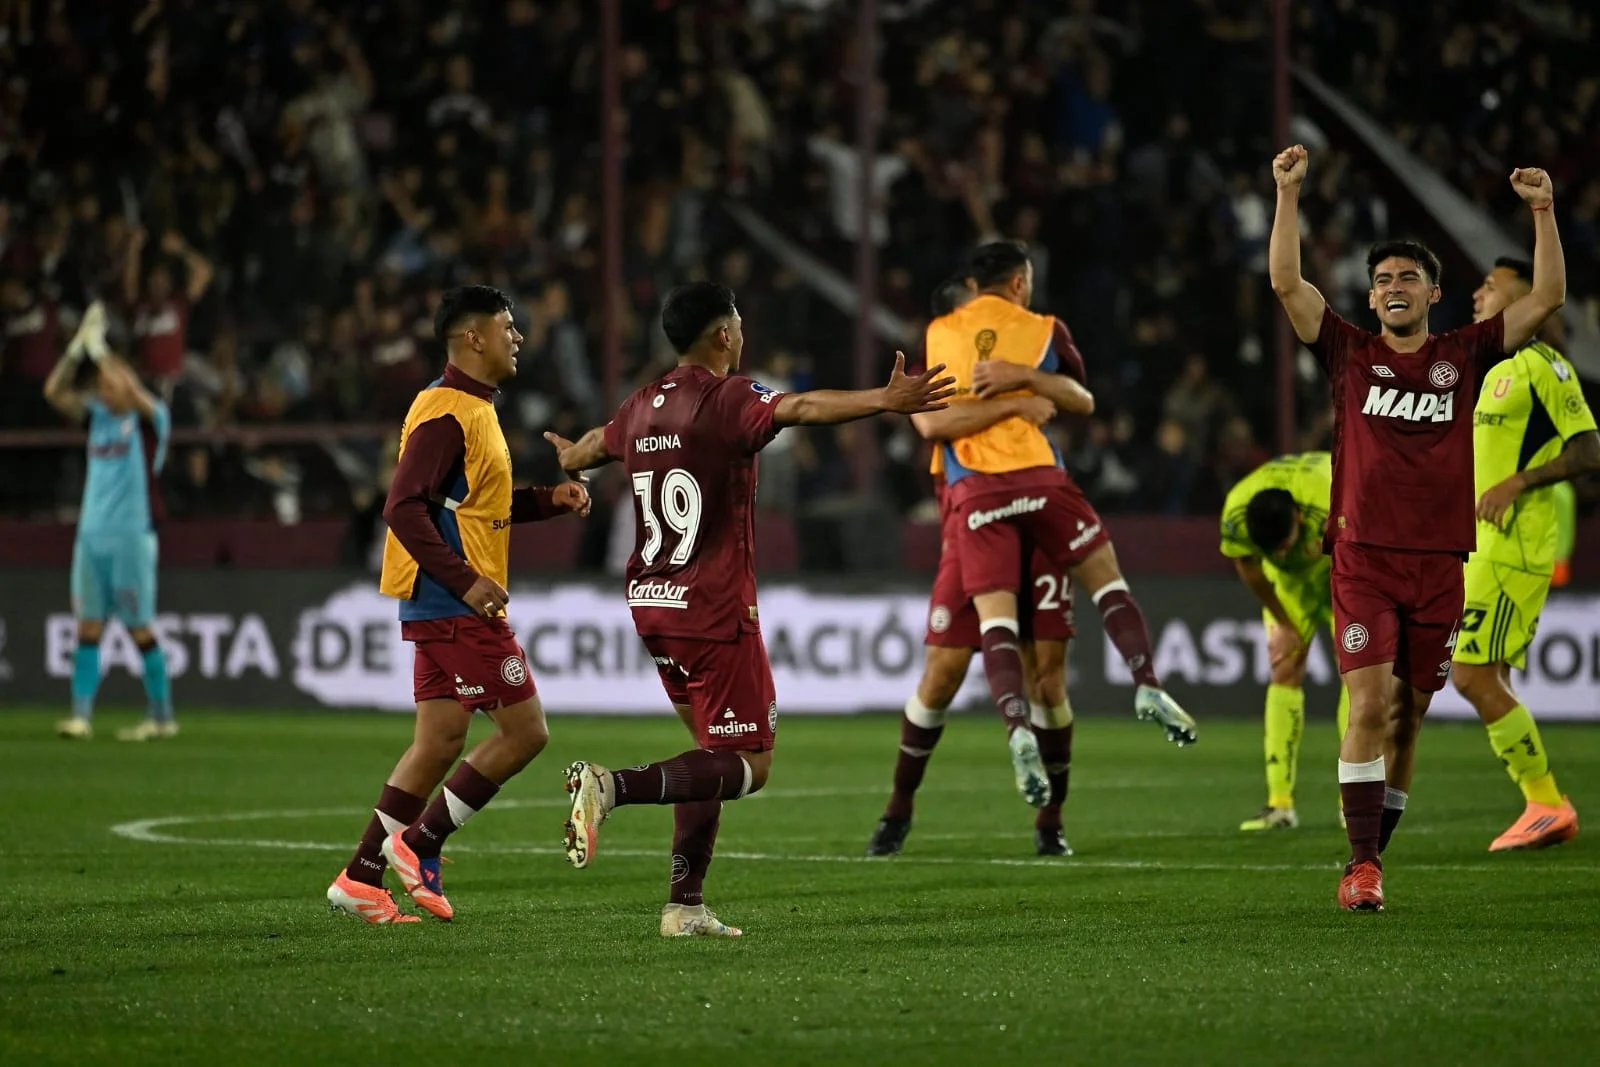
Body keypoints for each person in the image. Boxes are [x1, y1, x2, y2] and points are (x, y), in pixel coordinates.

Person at [544, 281, 954, 938]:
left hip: (652, 602)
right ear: (723, 334)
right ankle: (609, 785)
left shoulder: (642, 403)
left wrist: (570, 457)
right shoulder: (728, 397)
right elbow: (803, 407)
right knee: (749, 763)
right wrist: (884, 399)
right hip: (712, 606)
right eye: (738, 323)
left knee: (710, 750)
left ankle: (684, 904)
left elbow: (597, 442)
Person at [1269, 144, 1566, 911]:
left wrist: (1542, 211)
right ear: (1370, 300)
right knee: (1367, 705)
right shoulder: (1349, 352)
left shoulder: (1462, 356)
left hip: (1441, 563)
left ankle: (1368, 854)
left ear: (1433, 291)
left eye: (1407, 277)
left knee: (1406, 719)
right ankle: (1363, 866)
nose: (1393, 287)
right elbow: (1285, 282)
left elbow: (1547, 298)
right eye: (1382, 280)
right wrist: (1289, 194)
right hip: (1363, 557)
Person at [326, 285, 590, 925]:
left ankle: (361, 875)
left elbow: (475, 508)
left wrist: (546, 500)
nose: (517, 336)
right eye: (507, 325)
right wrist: (467, 581)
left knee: (440, 739)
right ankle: (420, 843)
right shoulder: (448, 411)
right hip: (452, 601)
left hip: (437, 600)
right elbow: (402, 507)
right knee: (526, 733)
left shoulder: (471, 408)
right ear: (472, 337)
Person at [924, 240, 1198, 783]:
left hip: (976, 494)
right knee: (1107, 583)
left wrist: (1007, 389)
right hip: (1044, 481)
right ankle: (1146, 681)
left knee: (994, 624)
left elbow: (932, 424)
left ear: (974, 287)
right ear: (1021, 281)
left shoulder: (940, 332)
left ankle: (1016, 728)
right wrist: (1023, 391)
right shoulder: (1043, 327)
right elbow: (1082, 399)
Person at [869, 273, 1078, 859]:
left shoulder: (1026, 353)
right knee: (940, 677)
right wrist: (1015, 400)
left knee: (1048, 678)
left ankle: (1050, 822)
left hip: (1037, 518)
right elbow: (935, 424)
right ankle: (896, 812)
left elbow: (1073, 401)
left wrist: (1031, 387)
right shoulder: (941, 371)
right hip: (971, 531)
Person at [1451, 256, 1598, 851]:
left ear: (1525, 300)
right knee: (1493, 674)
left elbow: (1589, 450)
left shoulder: (1544, 364)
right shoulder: (1490, 368)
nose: (1479, 294)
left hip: (1515, 544)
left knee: (1470, 672)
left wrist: (1519, 482)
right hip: (1482, 546)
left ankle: (1545, 801)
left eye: (1492, 286)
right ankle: (1537, 804)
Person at [42, 302, 176, 742]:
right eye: (99, 384)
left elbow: (130, 387)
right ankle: (80, 716)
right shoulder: (98, 417)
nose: (103, 389)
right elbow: (53, 390)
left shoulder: (148, 421)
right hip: (90, 537)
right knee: (88, 628)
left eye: (108, 382)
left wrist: (99, 350)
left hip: (131, 537)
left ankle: (161, 717)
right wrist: (77, 352)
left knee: (139, 629)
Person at [1219, 451, 1350, 831]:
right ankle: (1279, 805)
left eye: (1285, 543)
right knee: (1284, 669)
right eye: (1271, 550)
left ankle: (1353, 801)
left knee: (1355, 673)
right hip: (1293, 588)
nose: (1279, 553)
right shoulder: (1235, 514)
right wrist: (1282, 620)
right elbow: (1248, 566)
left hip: (1344, 573)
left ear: (1297, 518)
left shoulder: (1330, 496)